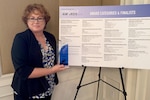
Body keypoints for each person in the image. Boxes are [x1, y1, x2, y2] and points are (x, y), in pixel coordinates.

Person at [11, 3, 67, 100]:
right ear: (26, 21)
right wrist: (52, 70)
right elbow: (23, 71)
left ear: (45, 20)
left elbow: (50, 59)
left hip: (47, 88)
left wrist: (62, 61)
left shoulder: (50, 37)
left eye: (40, 18)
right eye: (32, 18)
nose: (36, 21)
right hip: (28, 91)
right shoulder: (21, 39)